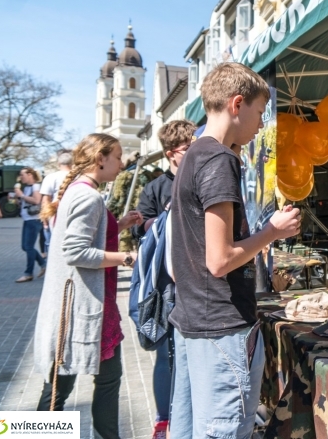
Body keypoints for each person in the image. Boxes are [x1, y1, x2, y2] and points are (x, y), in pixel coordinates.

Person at [169, 62, 301, 439]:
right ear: (237, 104)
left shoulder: (195, 155)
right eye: (260, 113)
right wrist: (271, 231)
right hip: (222, 328)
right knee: (223, 430)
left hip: (195, 319)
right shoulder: (218, 159)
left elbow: (185, 260)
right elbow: (220, 259)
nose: (261, 124)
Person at [33, 134, 142, 439]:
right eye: (118, 157)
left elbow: (87, 237)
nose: (122, 164)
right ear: (100, 158)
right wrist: (127, 257)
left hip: (89, 306)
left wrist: (118, 226)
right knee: (60, 389)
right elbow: (75, 251)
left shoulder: (80, 191)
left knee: (92, 383)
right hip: (78, 309)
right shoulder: (87, 196)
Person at [130, 119, 195, 439]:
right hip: (163, 288)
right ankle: (162, 420)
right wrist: (162, 221)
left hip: (193, 285)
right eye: (188, 148)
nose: (195, 152)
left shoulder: (201, 179)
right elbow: (139, 229)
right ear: (172, 153)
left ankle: (184, 414)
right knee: (164, 353)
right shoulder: (155, 188)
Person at [14, 167, 46, 282]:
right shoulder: (27, 187)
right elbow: (26, 202)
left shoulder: (35, 186)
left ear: (30, 175)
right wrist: (18, 198)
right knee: (25, 246)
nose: (20, 177)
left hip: (34, 219)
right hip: (28, 219)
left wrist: (22, 195)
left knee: (28, 246)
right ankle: (43, 264)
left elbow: (37, 201)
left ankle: (28, 273)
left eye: (22, 174)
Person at [40, 149, 73, 257]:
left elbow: (46, 200)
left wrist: (44, 219)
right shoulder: (79, 176)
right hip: (73, 214)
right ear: (72, 163)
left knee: (53, 246)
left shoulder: (50, 178)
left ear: (58, 164)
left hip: (55, 215)